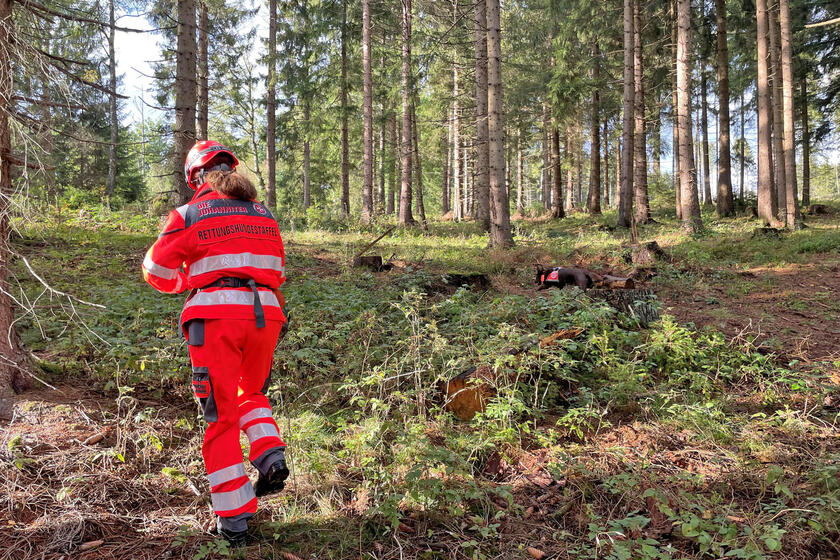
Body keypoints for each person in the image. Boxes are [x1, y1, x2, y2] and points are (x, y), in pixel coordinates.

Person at [142, 140, 289, 547]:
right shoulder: (263, 213)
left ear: (196, 177)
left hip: (215, 319)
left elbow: (155, 267)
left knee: (220, 416)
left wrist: (190, 282)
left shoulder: (190, 212)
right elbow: (276, 266)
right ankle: (269, 453)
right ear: (232, 170)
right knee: (251, 393)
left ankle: (234, 522)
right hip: (266, 315)